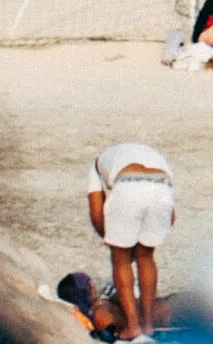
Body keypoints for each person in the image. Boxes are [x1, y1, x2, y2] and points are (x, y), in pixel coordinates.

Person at [85, 141, 170, 341]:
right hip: (162, 184)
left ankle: (133, 327)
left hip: (128, 182)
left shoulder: (97, 166)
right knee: (146, 256)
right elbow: (171, 217)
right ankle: (148, 325)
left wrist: (115, 242)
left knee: (120, 259)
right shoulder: (153, 156)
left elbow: (97, 213)